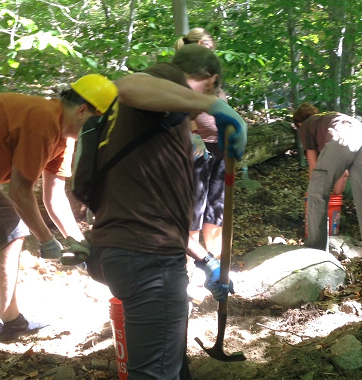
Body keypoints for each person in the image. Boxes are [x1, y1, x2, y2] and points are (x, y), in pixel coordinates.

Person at [0, 74, 117, 380]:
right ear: (83, 111)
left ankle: (10, 319)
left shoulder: (64, 137)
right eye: (97, 123)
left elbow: (54, 195)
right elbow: (20, 190)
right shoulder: (43, 117)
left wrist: (77, 241)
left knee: (9, 227)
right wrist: (47, 241)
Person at [85, 44, 246, 380]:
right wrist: (214, 106)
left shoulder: (160, 124)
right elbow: (127, 87)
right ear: (210, 80)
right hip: (147, 261)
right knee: (156, 373)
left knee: (168, 366)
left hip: (133, 253)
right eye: (214, 92)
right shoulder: (166, 80)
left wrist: (206, 262)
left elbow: (161, 213)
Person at [294, 104, 362, 268]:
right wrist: (336, 196)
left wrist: (318, 189)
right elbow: (344, 173)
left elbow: (314, 168)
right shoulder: (330, 118)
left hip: (342, 139)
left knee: (316, 194)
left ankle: (315, 256)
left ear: (299, 123)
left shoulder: (306, 125)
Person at [176, 28, 227, 259]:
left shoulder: (211, 79)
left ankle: (214, 261)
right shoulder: (183, 76)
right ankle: (192, 261)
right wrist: (194, 134)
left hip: (220, 147)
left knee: (216, 206)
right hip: (198, 148)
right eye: (208, 47)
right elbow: (182, 110)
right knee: (195, 205)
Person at [293, 103, 349, 195]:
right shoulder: (324, 120)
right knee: (342, 173)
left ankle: (330, 203)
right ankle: (335, 202)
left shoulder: (305, 126)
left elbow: (314, 166)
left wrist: (312, 193)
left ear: (300, 124)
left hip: (336, 139)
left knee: (340, 173)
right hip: (359, 134)